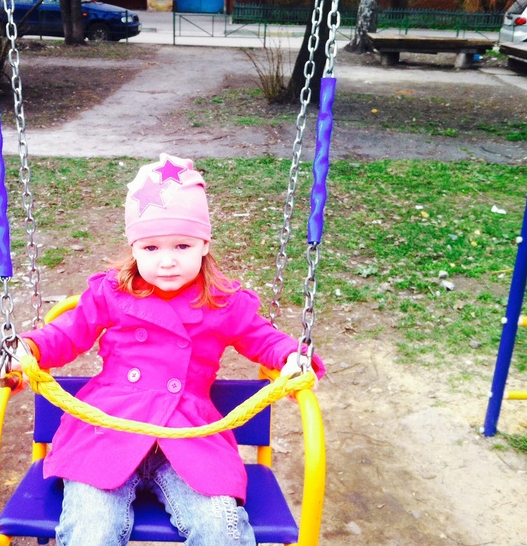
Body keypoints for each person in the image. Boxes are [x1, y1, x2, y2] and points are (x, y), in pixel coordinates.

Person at [17, 153, 326, 546]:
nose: (166, 262)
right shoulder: (112, 293)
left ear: (204, 244)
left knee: (220, 530)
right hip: (108, 429)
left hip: (189, 436)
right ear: (134, 248)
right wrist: (29, 348)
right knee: (91, 530)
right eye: (150, 248)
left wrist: (291, 357)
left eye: (181, 245)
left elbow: (263, 337)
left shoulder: (222, 302)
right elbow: (67, 333)